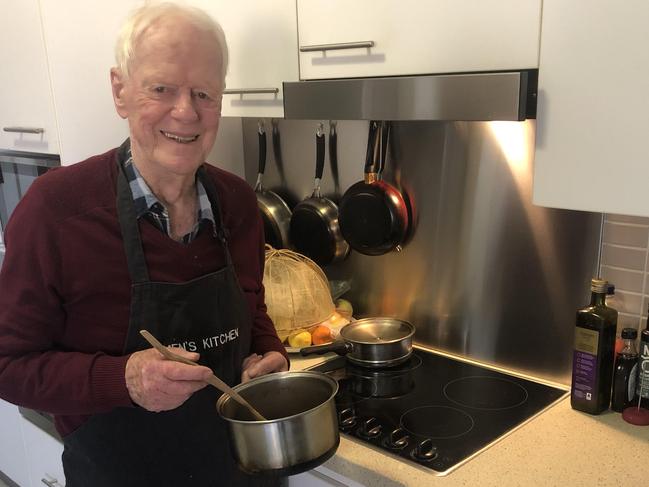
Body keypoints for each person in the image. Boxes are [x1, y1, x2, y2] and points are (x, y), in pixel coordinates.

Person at [0, 2, 289, 486]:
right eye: (161, 89)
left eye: (204, 93)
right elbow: (8, 365)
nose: (186, 112)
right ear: (120, 91)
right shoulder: (56, 210)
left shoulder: (238, 202)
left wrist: (268, 352)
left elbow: (251, 308)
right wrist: (126, 380)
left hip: (242, 472)